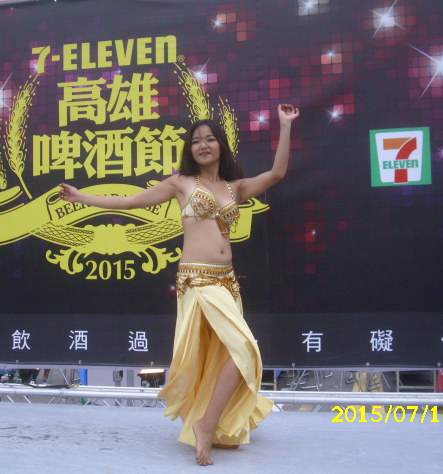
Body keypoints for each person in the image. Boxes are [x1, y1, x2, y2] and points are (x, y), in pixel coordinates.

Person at [59, 103, 299, 466]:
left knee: (234, 355)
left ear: (220, 145)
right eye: (196, 140)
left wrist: (285, 125)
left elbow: (278, 173)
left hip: (227, 282)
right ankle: (206, 424)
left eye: (210, 139)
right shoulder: (181, 183)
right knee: (246, 349)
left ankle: (210, 422)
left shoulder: (234, 187)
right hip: (197, 280)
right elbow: (130, 202)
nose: (203, 145)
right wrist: (81, 197)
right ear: (190, 149)